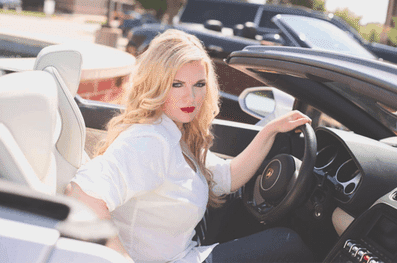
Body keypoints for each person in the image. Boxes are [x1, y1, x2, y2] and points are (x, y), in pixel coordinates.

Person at [65, 29, 313, 262]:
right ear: (157, 84)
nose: (191, 97)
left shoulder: (176, 133)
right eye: (177, 84)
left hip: (188, 254)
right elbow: (82, 195)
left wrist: (269, 131)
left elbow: (227, 177)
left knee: (284, 241)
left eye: (199, 84)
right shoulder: (151, 141)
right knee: (288, 244)